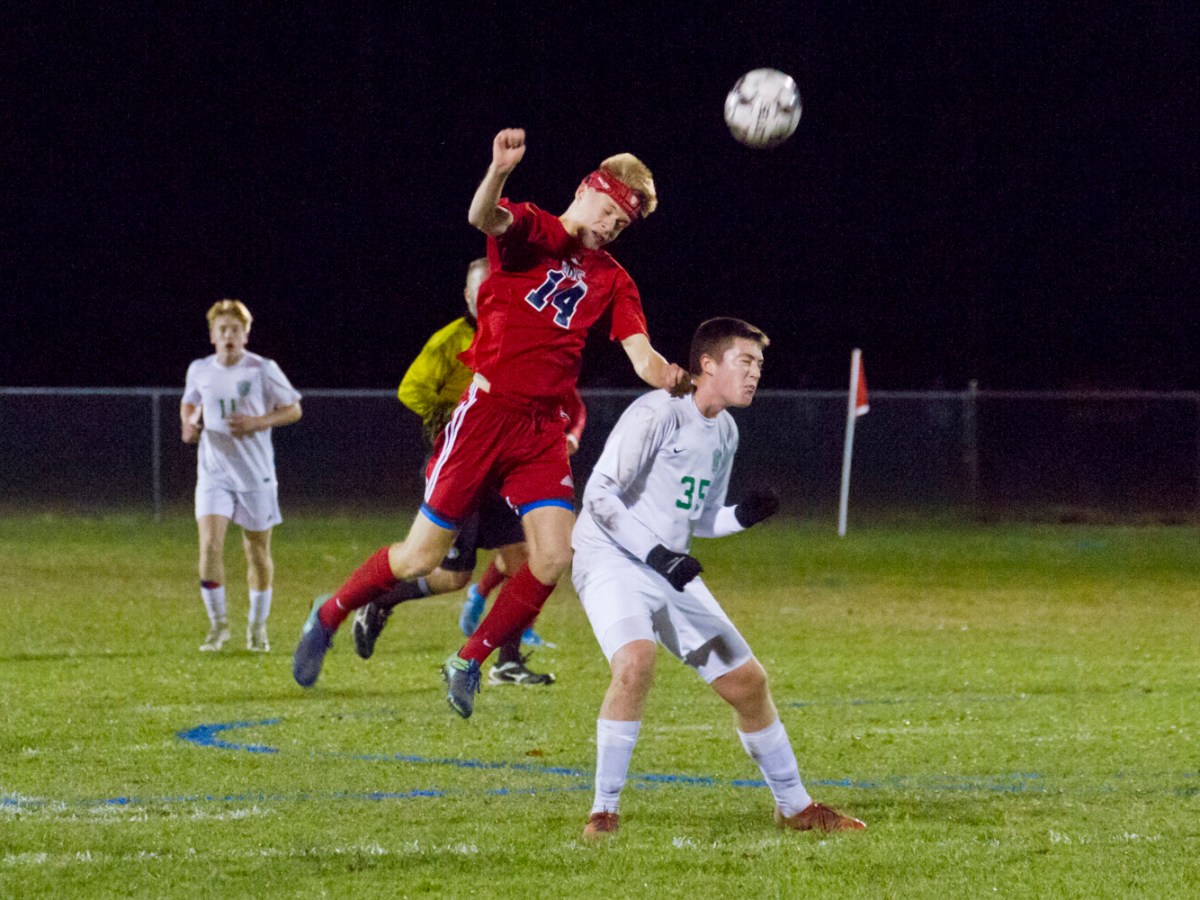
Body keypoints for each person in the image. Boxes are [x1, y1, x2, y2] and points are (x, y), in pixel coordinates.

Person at [294, 128, 689, 717]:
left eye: (623, 224)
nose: (611, 227)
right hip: (484, 417)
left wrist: (682, 378)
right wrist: (499, 170)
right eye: (608, 211)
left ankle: (468, 660)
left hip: (542, 432)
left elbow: (643, 358)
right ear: (586, 190)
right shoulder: (535, 229)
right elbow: (484, 216)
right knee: (420, 559)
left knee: (553, 556)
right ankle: (329, 613)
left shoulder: (614, 279)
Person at [571, 317, 866, 839]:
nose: (755, 374)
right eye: (745, 361)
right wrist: (657, 555)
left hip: (667, 565)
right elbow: (598, 496)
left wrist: (743, 516)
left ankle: (794, 806)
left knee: (748, 683)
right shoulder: (658, 412)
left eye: (759, 365)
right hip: (611, 558)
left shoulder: (725, 430)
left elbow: (701, 519)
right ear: (707, 364)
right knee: (635, 661)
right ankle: (603, 812)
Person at [350, 257, 582, 686]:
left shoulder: (521, 332)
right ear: (468, 296)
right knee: (451, 575)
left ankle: (507, 662)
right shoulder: (451, 339)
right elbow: (412, 389)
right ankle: (379, 602)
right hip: (465, 461)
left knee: (525, 561)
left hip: (506, 462)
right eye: (479, 291)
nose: (488, 297)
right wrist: (447, 414)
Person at [181, 299, 302, 653]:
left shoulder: (262, 369)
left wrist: (258, 422)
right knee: (209, 546)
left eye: (235, 329)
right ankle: (218, 627)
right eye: (222, 329)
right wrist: (188, 424)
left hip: (255, 475)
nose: (228, 335)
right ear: (212, 335)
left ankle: (257, 628)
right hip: (214, 474)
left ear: (246, 334)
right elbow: (190, 402)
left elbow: (293, 409)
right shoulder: (200, 369)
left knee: (256, 551)